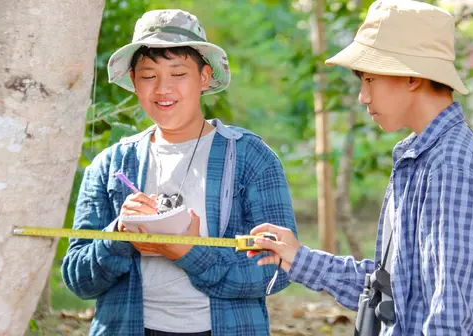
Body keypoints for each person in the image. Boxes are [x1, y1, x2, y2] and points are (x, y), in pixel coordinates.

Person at [248, 1, 473, 335]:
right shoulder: (419, 156)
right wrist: (298, 257)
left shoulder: (450, 162)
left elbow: (451, 313)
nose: (362, 96)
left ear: (412, 77)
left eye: (369, 79)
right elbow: (392, 290)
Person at [61, 9, 297, 336]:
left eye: (178, 73)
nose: (163, 89)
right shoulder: (111, 165)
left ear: (204, 76)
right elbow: (78, 280)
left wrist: (190, 252)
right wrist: (120, 235)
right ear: (133, 81)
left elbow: (278, 269)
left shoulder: (250, 158)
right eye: (148, 75)